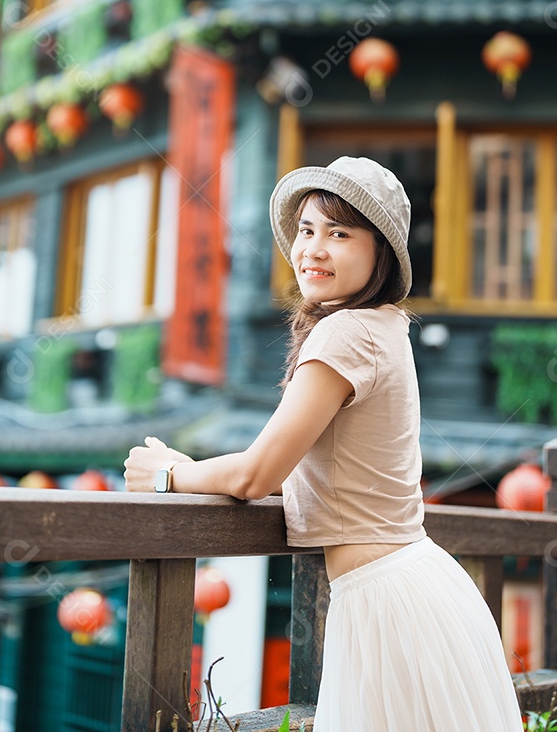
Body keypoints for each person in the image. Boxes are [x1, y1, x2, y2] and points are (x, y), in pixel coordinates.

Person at [124, 156, 523, 731]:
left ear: (378, 251)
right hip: (412, 587)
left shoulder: (348, 331)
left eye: (339, 233)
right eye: (307, 230)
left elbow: (255, 476)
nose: (313, 248)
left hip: (387, 601)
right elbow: (312, 470)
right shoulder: (386, 325)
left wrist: (169, 472)